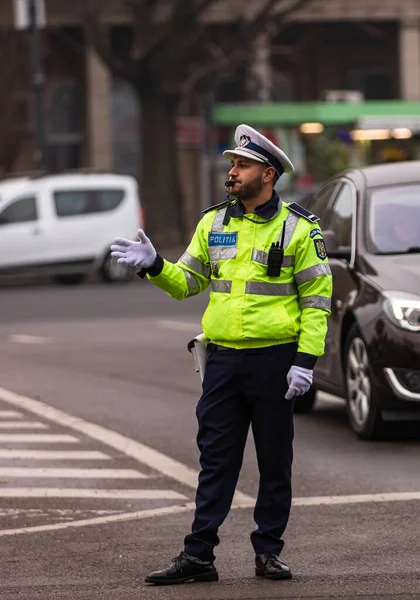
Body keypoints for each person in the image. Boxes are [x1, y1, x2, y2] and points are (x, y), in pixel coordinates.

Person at [110, 124, 332, 586]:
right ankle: (198, 556)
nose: (232, 172)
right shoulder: (213, 223)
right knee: (216, 459)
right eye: (233, 164)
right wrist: (155, 266)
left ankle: (268, 551)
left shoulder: (299, 228)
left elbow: (316, 303)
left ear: (267, 174)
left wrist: (305, 361)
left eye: (242, 165)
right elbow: (187, 283)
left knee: (275, 461)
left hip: (275, 361)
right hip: (224, 362)